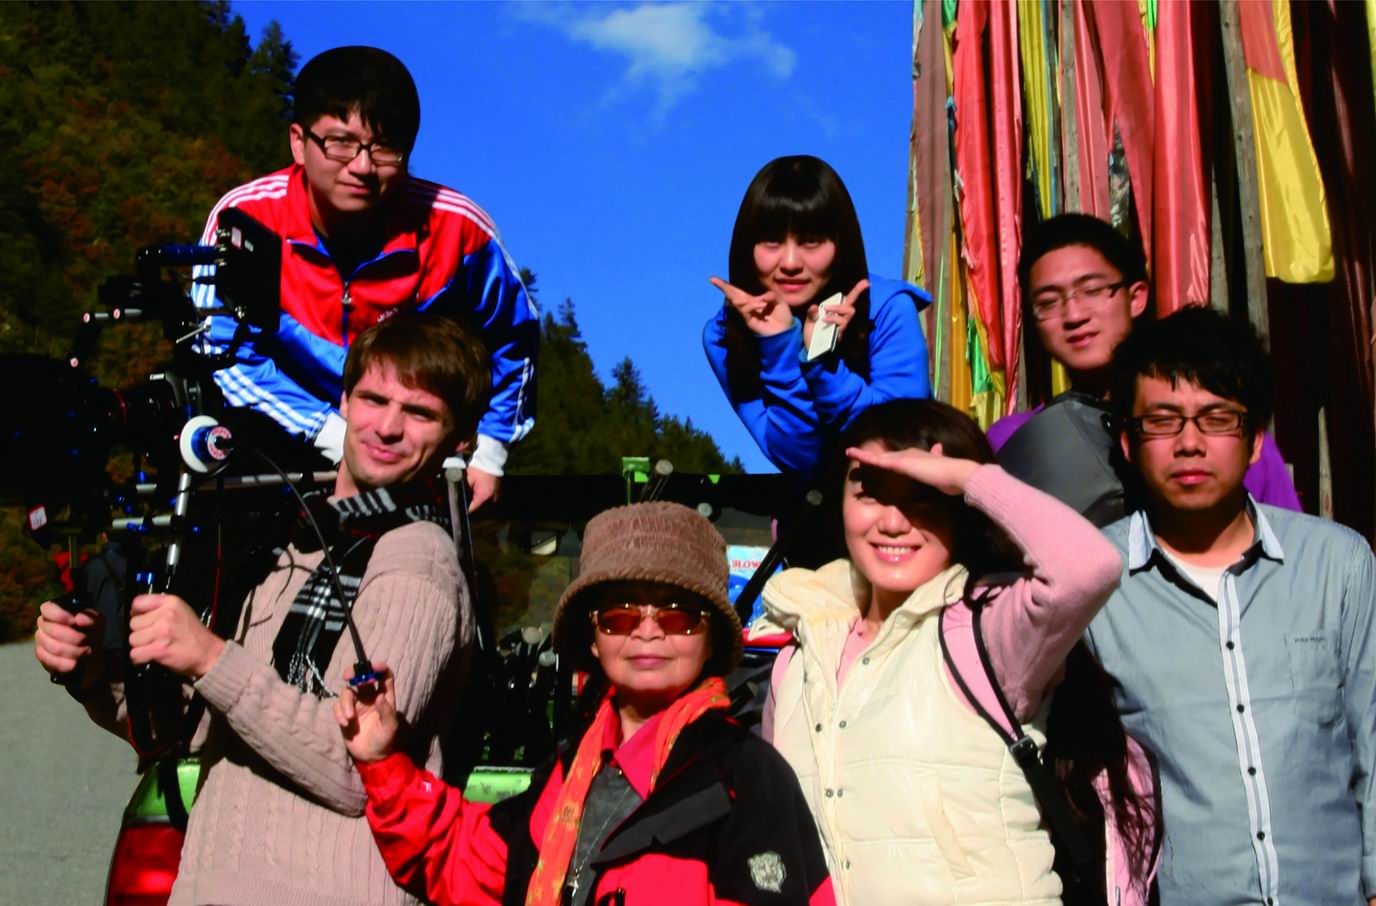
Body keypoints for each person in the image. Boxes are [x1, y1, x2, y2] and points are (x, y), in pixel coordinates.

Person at [34, 312, 489, 905]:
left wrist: (209, 657)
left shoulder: (417, 559)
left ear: (460, 440)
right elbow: (198, 731)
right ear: (344, 401)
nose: (388, 427)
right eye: (374, 399)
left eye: (420, 413)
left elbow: (355, 770)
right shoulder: (297, 546)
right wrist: (96, 674)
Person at [753, 398, 1158, 905]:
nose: (893, 522)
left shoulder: (986, 627)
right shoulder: (797, 658)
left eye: (923, 497)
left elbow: (1087, 568)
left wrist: (970, 478)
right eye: (870, 493)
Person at [336, 502, 836, 906]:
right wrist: (384, 762)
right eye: (619, 615)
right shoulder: (566, 774)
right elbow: (469, 865)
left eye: (678, 614)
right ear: (593, 639)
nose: (647, 630)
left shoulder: (748, 779)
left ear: (711, 640)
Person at [1085, 306, 1376, 905]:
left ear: (1254, 439)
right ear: (1129, 442)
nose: (1190, 443)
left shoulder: (1338, 563)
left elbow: (1371, 737)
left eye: (1217, 419)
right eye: (1162, 422)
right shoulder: (1093, 582)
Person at [192, 46, 537, 510]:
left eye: (385, 148)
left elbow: (516, 337)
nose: (361, 167)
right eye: (339, 142)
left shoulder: (461, 230)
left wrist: (491, 452)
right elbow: (221, 352)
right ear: (298, 142)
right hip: (274, 448)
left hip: (408, 460)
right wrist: (334, 434)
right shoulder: (245, 220)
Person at [988, 213, 1301, 513]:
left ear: (1136, 297)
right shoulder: (1016, 440)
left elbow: (1283, 536)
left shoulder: (1223, 433)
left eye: (1092, 290)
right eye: (1047, 302)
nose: (1074, 315)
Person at [703, 155, 931, 480]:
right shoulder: (723, 336)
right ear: (746, 246)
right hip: (811, 505)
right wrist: (778, 349)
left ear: (841, 244)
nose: (791, 262)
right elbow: (799, 460)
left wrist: (823, 363)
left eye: (811, 241)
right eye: (772, 241)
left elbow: (899, 444)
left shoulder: (888, 309)